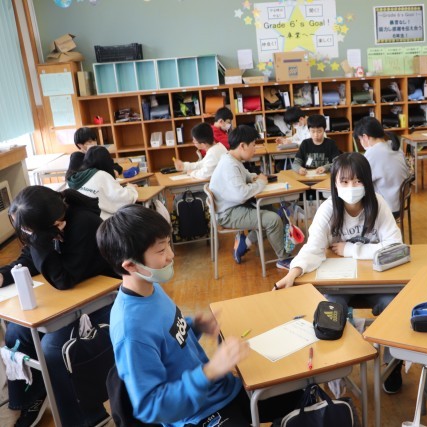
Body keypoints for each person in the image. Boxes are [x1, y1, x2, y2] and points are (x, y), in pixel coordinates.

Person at [96, 204, 299, 427]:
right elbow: (151, 406)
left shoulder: (151, 287)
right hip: (198, 415)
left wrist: (194, 325)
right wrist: (210, 371)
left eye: (168, 244)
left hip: (221, 390)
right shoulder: (130, 329)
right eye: (161, 251)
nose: (171, 255)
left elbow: (168, 339)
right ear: (131, 266)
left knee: (302, 392)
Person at [275, 152, 404, 391]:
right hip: (339, 284)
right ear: (334, 183)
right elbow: (313, 248)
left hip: (377, 282)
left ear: (367, 181)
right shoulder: (328, 209)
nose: (351, 187)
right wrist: (293, 272)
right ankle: (337, 371)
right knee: (329, 313)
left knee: (394, 307)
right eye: (344, 181)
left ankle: (393, 364)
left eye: (358, 181)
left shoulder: (377, 204)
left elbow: (395, 246)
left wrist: (351, 249)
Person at [2, 186, 118, 427]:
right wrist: (3, 276)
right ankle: (31, 399)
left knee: (53, 349)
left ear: (52, 223)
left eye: (29, 230)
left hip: (104, 300)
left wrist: (39, 241)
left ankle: (87, 416)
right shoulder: (45, 225)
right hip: (71, 302)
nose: (26, 234)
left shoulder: (84, 224)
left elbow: (63, 279)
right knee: (15, 332)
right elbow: (29, 259)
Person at [209, 125, 290, 266]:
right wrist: (261, 183)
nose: (255, 149)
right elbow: (241, 194)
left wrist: (255, 178)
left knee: (280, 213)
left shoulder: (232, 159)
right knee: (273, 220)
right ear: (242, 146)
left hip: (233, 206)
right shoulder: (229, 165)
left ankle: (245, 243)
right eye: (253, 145)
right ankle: (283, 260)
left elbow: (246, 176)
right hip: (228, 213)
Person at [354, 117, 410, 215]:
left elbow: (359, 179)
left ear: (365, 137)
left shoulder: (372, 153)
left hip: (386, 209)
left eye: (360, 139)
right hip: (401, 203)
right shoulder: (393, 145)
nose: (361, 143)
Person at [67, 145, 138, 220]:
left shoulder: (76, 176)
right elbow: (123, 199)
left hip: (80, 220)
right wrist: (131, 188)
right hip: (101, 221)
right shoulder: (101, 175)